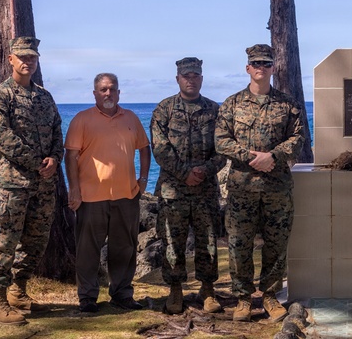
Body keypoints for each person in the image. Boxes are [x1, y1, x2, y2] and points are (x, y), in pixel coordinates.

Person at [215, 44, 305, 323]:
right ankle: (243, 298)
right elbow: (221, 141)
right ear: (247, 68)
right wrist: (251, 157)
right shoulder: (232, 104)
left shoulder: (287, 104)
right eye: (256, 63)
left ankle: (269, 295)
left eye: (266, 63)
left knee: (276, 244)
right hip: (242, 187)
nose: (261, 68)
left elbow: (298, 138)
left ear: (273, 68)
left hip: (276, 187)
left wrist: (273, 156)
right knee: (239, 244)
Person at [0, 36, 63, 325]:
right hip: (13, 183)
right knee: (6, 241)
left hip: (43, 184)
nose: (28, 61)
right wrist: (37, 163)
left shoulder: (44, 97)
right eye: (23, 57)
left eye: (32, 57)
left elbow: (57, 130)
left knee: (36, 240)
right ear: (11, 59)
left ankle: (18, 291)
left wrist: (55, 158)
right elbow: (3, 139)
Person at [65, 73, 151, 313]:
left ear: (119, 92)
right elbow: (70, 156)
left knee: (124, 248)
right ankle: (87, 297)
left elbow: (145, 148)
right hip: (91, 197)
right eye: (103, 89)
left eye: (112, 89)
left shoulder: (131, 118)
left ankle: (122, 294)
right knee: (88, 250)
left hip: (127, 195)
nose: (108, 93)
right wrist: (74, 189)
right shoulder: (82, 119)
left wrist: (143, 179)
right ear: (95, 93)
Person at [151, 57, 224, 315]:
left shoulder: (214, 110)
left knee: (208, 241)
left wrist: (205, 170)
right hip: (174, 190)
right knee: (172, 242)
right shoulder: (164, 109)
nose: (190, 80)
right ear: (178, 79)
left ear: (201, 79)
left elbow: (223, 148)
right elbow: (160, 148)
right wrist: (184, 173)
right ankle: (175, 290)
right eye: (186, 76)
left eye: (195, 76)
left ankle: (208, 289)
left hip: (205, 188)